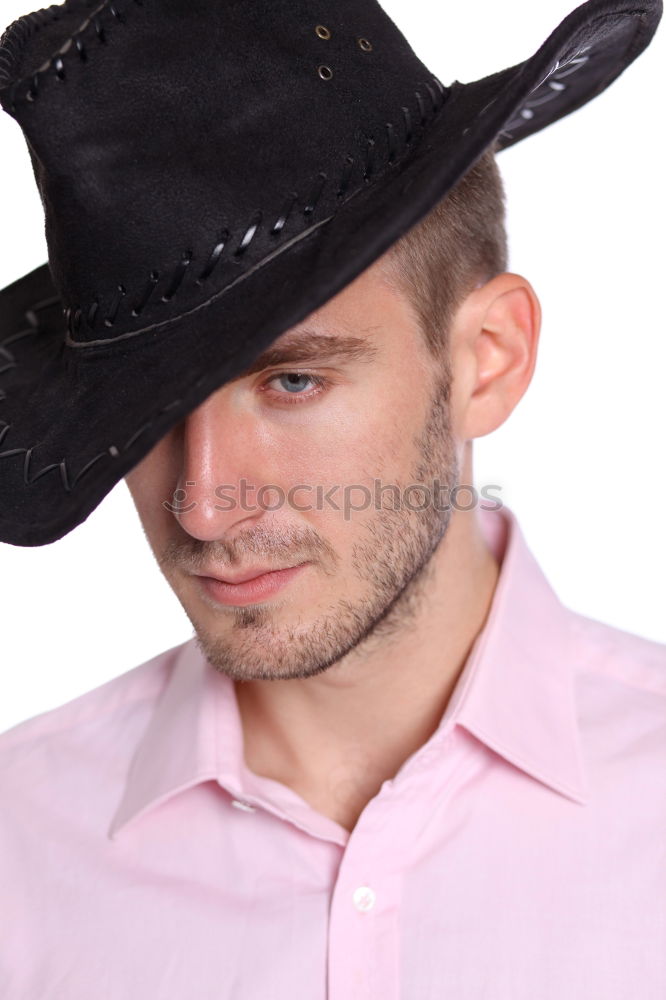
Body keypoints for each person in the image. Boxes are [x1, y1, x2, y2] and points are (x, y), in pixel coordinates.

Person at [0, 0, 663, 996]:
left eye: (292, 383)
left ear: (487, 360)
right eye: (146, 414)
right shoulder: (22, 849)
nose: (205, 505)